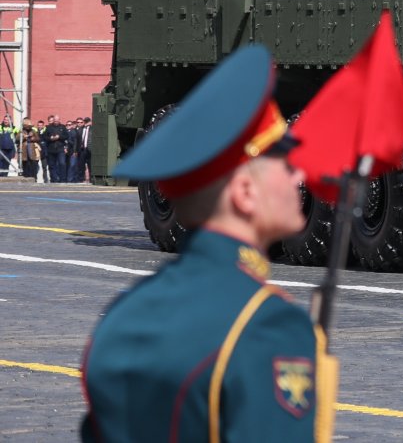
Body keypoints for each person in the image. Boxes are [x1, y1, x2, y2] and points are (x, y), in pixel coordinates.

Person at [80, 45, 336, 441]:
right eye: (284, 162)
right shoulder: (269, 327)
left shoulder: (124, 315)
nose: (298, 176)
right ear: (245, 193)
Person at [42, 114, 67, 183]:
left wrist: (59, 137)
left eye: (57, 121)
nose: (55, 122)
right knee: (51, 165)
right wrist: (50, 138)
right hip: (51, 149)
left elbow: (66, 136)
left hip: (60, 149)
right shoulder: (49, 127)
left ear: (59, 120)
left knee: (62, 164)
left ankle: (62, 179)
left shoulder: (63, 127)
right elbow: (44, 137)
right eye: (54, 121)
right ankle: (54, 179)